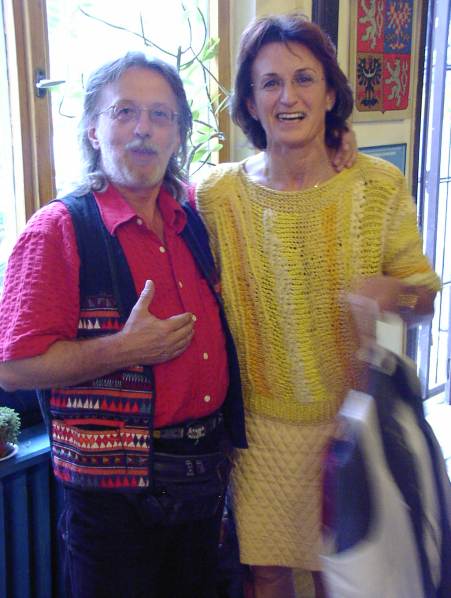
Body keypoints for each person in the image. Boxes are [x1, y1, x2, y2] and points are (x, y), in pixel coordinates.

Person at [195, 13, 441, 598]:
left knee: (346, 575)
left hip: (352, 424)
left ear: (330, 94)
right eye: (270, 83)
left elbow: (426, 298)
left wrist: (395, 293)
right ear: (250, 103)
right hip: (260, 433)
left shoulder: (378, 186)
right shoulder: (216, 196)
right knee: (267, 572)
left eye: (305, 79)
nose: (289, 97)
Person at [0, 52, 248, 598]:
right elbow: (13, 367)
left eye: (161, 115)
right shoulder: (58, 229)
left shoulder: (191, 219)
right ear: (93, 128)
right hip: (114, 501)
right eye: (125, 111)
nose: (144, 129)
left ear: (178, 135)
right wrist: (124, 349)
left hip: (203, 478)